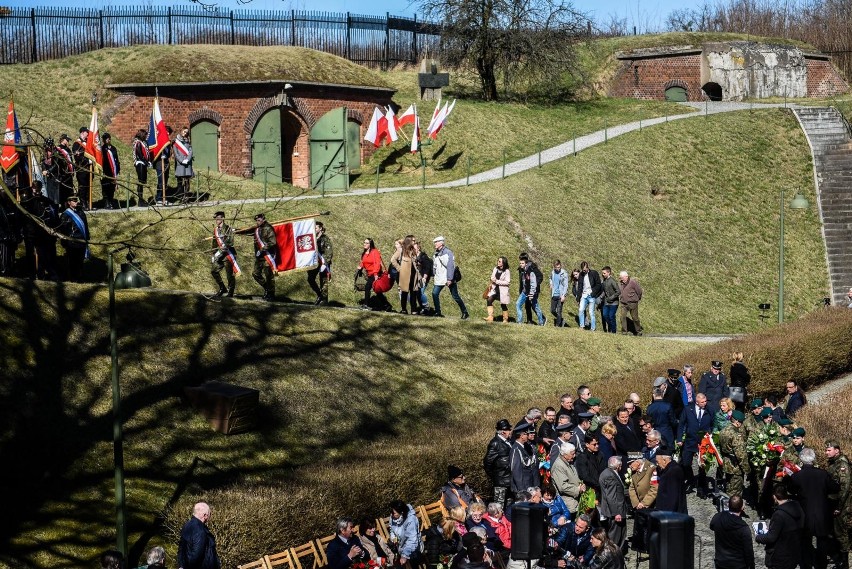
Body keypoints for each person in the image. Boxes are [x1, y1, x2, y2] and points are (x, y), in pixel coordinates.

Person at [788, 448, 840, 569]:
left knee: (805, 542)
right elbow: (835, 488)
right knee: (822, 542)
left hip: (805, 513)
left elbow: (791, 490)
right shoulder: (823, 474)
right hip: (822, 513)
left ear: (801, 459)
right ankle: (821, 565)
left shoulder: (797, 476)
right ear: (814, 459)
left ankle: (806, 564)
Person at [755, 485, 805, 569]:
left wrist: (759, 537)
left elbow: (771, 537)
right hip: (794, 552)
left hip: (780, 556)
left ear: (774, 496)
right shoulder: (798, 507)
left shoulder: (779, 515)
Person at [677, 392, 714, 497]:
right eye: (702, 402)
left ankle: (702, 487)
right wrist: (679, 438)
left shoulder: (709, 410)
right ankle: (690, 480)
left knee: (702, 465)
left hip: (703, 441)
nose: (705, 403)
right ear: (697, 402)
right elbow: (681, 424)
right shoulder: (688, 409)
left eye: (705, 401)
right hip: (690, 440)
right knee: (686, 463)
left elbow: (713, 424)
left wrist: (710, 433)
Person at [19, 183, 59, 281]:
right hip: (29, 231)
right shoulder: (27, 200)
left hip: (41, 232)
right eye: (34, 188)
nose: (36, 190)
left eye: (38, 188)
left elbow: (51, 213)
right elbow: (22, 216)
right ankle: (31, 273)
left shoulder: (45, 200)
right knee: (30, 254)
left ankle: (41, 274)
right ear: (32, 188)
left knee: (42, 254)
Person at [709, 495, 755, 569]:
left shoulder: (718, 517)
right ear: (742, 508)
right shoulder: (743, 528)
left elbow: (712, 526)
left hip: (721, 562)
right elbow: (748, 551)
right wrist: (752, 566)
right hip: (738, 565)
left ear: (728, 505)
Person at [826, 440, 852, 569]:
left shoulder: (842, 465)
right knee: (835, 532)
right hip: (834, 503)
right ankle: (837, 557)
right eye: (826, 450)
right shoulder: (833, 463)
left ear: (837, 450)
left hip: (842, 505)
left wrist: (838, 507)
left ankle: (844, 563)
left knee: (842, 534)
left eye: (829, 450)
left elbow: (845, 488)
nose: (826, 452)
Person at [432, 236, 469, 319]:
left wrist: (449, 279)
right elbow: (435, 265)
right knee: (435, 293)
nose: (435, 244)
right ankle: (438, 312)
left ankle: (465, 312)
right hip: (439, 278)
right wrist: (434, 273)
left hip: (449, 278)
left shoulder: (448, 253)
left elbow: (450, 266)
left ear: (441, 243)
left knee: (455, 296)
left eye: (436, 242)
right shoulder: (435, 254)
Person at [177, 502, 221, 569]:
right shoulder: (200, 530)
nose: (210, 516)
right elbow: (196, 556)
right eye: (209, 514)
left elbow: (181, 549)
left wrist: (181, 566)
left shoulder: (187, 525)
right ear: (205, 515)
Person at [717, 410, 750, 497]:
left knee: (729, 485)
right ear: (737, 422)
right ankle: (733, 508)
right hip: (736, 466)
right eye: (741, 422)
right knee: (735, 492)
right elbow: (741, 455)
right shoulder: (736, 435)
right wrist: (747, 470)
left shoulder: (723, 431)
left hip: (727, 463)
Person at [598, 456, 628, 550]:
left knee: (619, 534)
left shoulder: (609, 472)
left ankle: (617, 553)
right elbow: (611, 496)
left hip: (616, 509)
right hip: (615, 511)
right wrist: (616, 513)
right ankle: (613, 555)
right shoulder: (609, 475)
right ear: (618, 465)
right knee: (615, 536)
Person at [484, 419, 514, 510]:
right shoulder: (495, 443)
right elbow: (487, 462)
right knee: (499, 507)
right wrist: (495, 476)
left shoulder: (508, 441)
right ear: (503, 431)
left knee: (509, 505)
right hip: (501, 481)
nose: (510, 431)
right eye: (509, 430)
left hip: (509, 480)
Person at [58, 194, 89, 282]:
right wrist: (64, 242)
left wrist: (87, 238)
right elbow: (63, 230)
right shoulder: (65, 215)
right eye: (74, 201)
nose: (76, 202)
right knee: (72, 262)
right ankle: (73, 278)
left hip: (82, 240)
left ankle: (80, 277)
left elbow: (85, 226)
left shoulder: (81, 212)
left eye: (76, 201)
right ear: (69, 202)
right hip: (72, 242)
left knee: (80, 261)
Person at [210, 211, 239, 297]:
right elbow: (214, 243)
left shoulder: (228, 229)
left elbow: (230, 242)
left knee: (229, 275)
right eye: (216, 219)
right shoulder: (215, 230)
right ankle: (222, 288)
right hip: (219, 255)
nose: (216, 220)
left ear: (223, 218)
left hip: (228, 255)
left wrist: (223, 249)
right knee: (214, 271)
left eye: (218, 218)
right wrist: (213, 254)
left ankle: (230, 292)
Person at [551, 442, 584, 515]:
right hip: (567, 504)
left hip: (574, 501)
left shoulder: (568, 462)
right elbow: (562, 486)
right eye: (572, 454)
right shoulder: (559, 466)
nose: (574, 456)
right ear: (565, 455)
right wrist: (578, 489)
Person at [251, 212, 277, 301]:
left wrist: (262, 250)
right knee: (255, 273)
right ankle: (267, 288)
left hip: (268, 256)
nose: (257, 222)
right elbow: (249, 231)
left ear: (263, 220)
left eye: (259, 220)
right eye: (256, 221)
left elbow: (272, 242)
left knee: (269, 276)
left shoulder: (268, 228)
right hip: (260, 257)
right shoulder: (257, 229)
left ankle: (271, 294)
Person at [389, 500, 422, 567]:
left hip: (412, 549)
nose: (392, 514)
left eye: (394, 513)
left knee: (412, 562)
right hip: (400, 548)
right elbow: (391, 529)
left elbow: (412, 540)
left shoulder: (411, 520)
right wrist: (393, 537)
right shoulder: (392, 516)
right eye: (391, 512)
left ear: (402, 512)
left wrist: (405, 555)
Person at [307, 221, 333, 305]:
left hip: (323, 263)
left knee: (323, 281)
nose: (314, 229)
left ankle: (324, 300)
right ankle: (319, 295)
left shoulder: (325, 239)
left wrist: (325, 263)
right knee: (310, 279)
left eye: (316, 228)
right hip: (314, 262)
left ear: (320, 228)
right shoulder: (312, 238)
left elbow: (329, 252)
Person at [516, 253, 545, 325]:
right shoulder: (521, 269)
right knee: (523, 305)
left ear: (526, 261)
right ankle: (525, 321)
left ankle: (541, 320)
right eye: (520, 261)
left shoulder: (532, 268)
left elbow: (540, 277)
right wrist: (522, 290)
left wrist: (533, 288)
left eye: (522, 261)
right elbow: (522, 281)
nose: (520, 263)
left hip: (533, 290)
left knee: (534, 306)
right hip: (525, 290)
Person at [510, 422, 540, 493]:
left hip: (529, 485)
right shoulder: (516, 449)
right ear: (522, 436)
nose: (528, 436)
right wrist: (522, 490)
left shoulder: (525, 447)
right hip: (523, 487)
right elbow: (516, 471)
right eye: (526, 434)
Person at [655, 448, 687, 513]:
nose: (657, 464)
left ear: (664, 460)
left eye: (657, 462)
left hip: (671, 514)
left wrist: (668, 515)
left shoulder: (673, 471)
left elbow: (673, 497)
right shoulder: (669, 469)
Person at [357, 238, 386, 309]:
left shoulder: (374, 252)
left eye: (367, 243)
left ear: (370, 244)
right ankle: (386, 305)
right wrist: (360, 266)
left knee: (367, 287)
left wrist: (376, 274)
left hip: (375, 273)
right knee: (376, 290)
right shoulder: (364, 252)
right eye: (364, 242)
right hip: (370, 274)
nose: (364, 244)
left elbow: (377, 263)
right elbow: (363, 262)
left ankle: (366, 304)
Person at [575, 261, 602, 331]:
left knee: (591, 312)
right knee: (581, 310)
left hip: (591, 295)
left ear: (587, 267)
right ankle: (582, 326)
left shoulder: (594, 273)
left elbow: (599, 284)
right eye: (583, 270)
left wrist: (593, 293)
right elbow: (580, 287)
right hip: (584, 295)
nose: (584, 271)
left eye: (585, 269)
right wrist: (578, 298)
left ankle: (593, 328)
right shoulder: (581, 275)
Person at [484, 256, 511, 323]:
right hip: (494, 289)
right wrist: (492, 279)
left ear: (503, 263)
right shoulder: (495, 268)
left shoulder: (507, 271)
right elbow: (492, 276)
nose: (498, 262)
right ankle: (490, 317)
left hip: (502, 291)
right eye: (498, 261)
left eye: (499, 261)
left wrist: (497, 281)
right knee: (489, 300)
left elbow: (507, 282)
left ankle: (505, 319)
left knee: (503, 304)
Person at [617, 270, 642, 336]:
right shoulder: (620, 283)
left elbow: (639, 291)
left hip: (633, 303)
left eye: (621, 277)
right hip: (623, 304)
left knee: (635, 318)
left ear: (626, 276)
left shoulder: (632, 282)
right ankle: (624, 332)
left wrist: (637, 299)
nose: (620, 278)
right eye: (620, 277)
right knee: (622, 317)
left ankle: (638, 331)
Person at [54, 134, 76, 204]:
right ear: (63, 140)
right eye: (67, 140)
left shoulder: (68, 149)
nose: (68, 141)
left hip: (69, 173)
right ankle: (63, 204)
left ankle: (69, 204)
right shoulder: (58, 149)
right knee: (63, 190)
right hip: (63, 173)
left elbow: (71, 160)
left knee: (69, 189)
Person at [72, 127, 92, 205]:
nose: (88, 134)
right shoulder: (77, 144)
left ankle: (88, 202)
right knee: (82, 186)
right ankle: (83, 203)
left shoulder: (88, 143)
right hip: (81, 168)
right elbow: (77, 157)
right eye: (87, 132)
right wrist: (86, 160)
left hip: (89, 168)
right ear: (83, 132)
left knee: (88, 186)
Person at [100, 132, 120, 209]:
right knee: (105, 187)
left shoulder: (113, 148)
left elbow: (116, 159)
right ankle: (106, 202)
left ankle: (111, 201)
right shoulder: (102, 149)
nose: (106, 140)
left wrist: (118, 168)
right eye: (104, 139)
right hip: (105, 171)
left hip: (113, 171)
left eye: (107, 139)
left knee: (112, 187)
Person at [40, 139, 63, 205]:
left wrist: (49, 171)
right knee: (49, 190)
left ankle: (55, 205)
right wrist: (44, 170)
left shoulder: (56, 152)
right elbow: (42, 162)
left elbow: (56, 164)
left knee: (55, 191)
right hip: (47, 174)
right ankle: (50, 203)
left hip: (55, 174)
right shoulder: (44, 152)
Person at [173, 127, 194, 199]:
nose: (185, 133)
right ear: (181, 131)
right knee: (180, 182)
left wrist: (187, 159)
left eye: (187, 132)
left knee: (187, 181)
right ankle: (180, 196)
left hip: (187, 164)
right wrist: (182, 160)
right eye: (184, 131)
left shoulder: (188, 141)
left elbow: (191, 151)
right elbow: (176, 154)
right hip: (180, 164)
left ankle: (186, 196)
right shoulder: (176, 142)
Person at [154, 125, 173, 205]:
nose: (168, 133)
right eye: (167, 131)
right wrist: (159, 157)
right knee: (161, 181)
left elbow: (169, 153)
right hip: (159, 163)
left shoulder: (168, 143)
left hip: (166, 163)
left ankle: (164, 198)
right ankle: (159, 198)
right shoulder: (159, 142)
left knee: (165, 181)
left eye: (169, 132)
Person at [413, 240, 432, 314]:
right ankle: (422, 308)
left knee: (420, 292)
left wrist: (424, 277)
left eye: (414, 248)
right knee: (417, 293)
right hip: (416, 277)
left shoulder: (423, 256)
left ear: (418, 248)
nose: (413, 250)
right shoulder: (414, 256)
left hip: (423, 277)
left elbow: (427, 268)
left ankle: (426, 306)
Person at [133, 129, 151, 206]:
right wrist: (146, 162)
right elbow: (139, 154)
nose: (146, 136)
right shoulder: (137, 143)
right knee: (140, 182)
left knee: (143, 182)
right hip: (140, 163)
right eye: (145, 135)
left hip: (144, 163)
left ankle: (142, 199)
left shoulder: (143, 142)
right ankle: (140, 201)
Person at [600, 266, 619, 333]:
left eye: (604, 273)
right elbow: (605, 291)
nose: (603, 274)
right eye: (602, 273)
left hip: (614, 303)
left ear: (609, 273)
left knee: (611, 316)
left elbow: (618, 291)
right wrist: (601, 296)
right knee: (605, 315)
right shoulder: (604, 281)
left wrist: (611, 298)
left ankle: (613, 332)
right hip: (606, 302)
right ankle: (610, 327)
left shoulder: (612, 281)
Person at [550, 259, 569, 327]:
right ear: (554, 267)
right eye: (556, 267)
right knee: (552, 310)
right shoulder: (552, 272)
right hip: (554, 294)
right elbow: (550, 278)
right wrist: (551, 283)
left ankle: (558, 325)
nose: (558, 269)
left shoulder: (564, 273)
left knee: (559, 311)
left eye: (559, 267)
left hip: (560, 295)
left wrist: (564, 295)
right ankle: (561, 319)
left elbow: (566, 285)